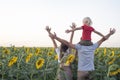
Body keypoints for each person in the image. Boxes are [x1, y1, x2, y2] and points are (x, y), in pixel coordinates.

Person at [49, 28, 115, 80]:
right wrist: (110, 34)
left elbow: (67, 43)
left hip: (69, 72)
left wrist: (54, 38)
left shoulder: (62, 51)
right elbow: (103, 39)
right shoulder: (91, 47)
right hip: (90, 71)